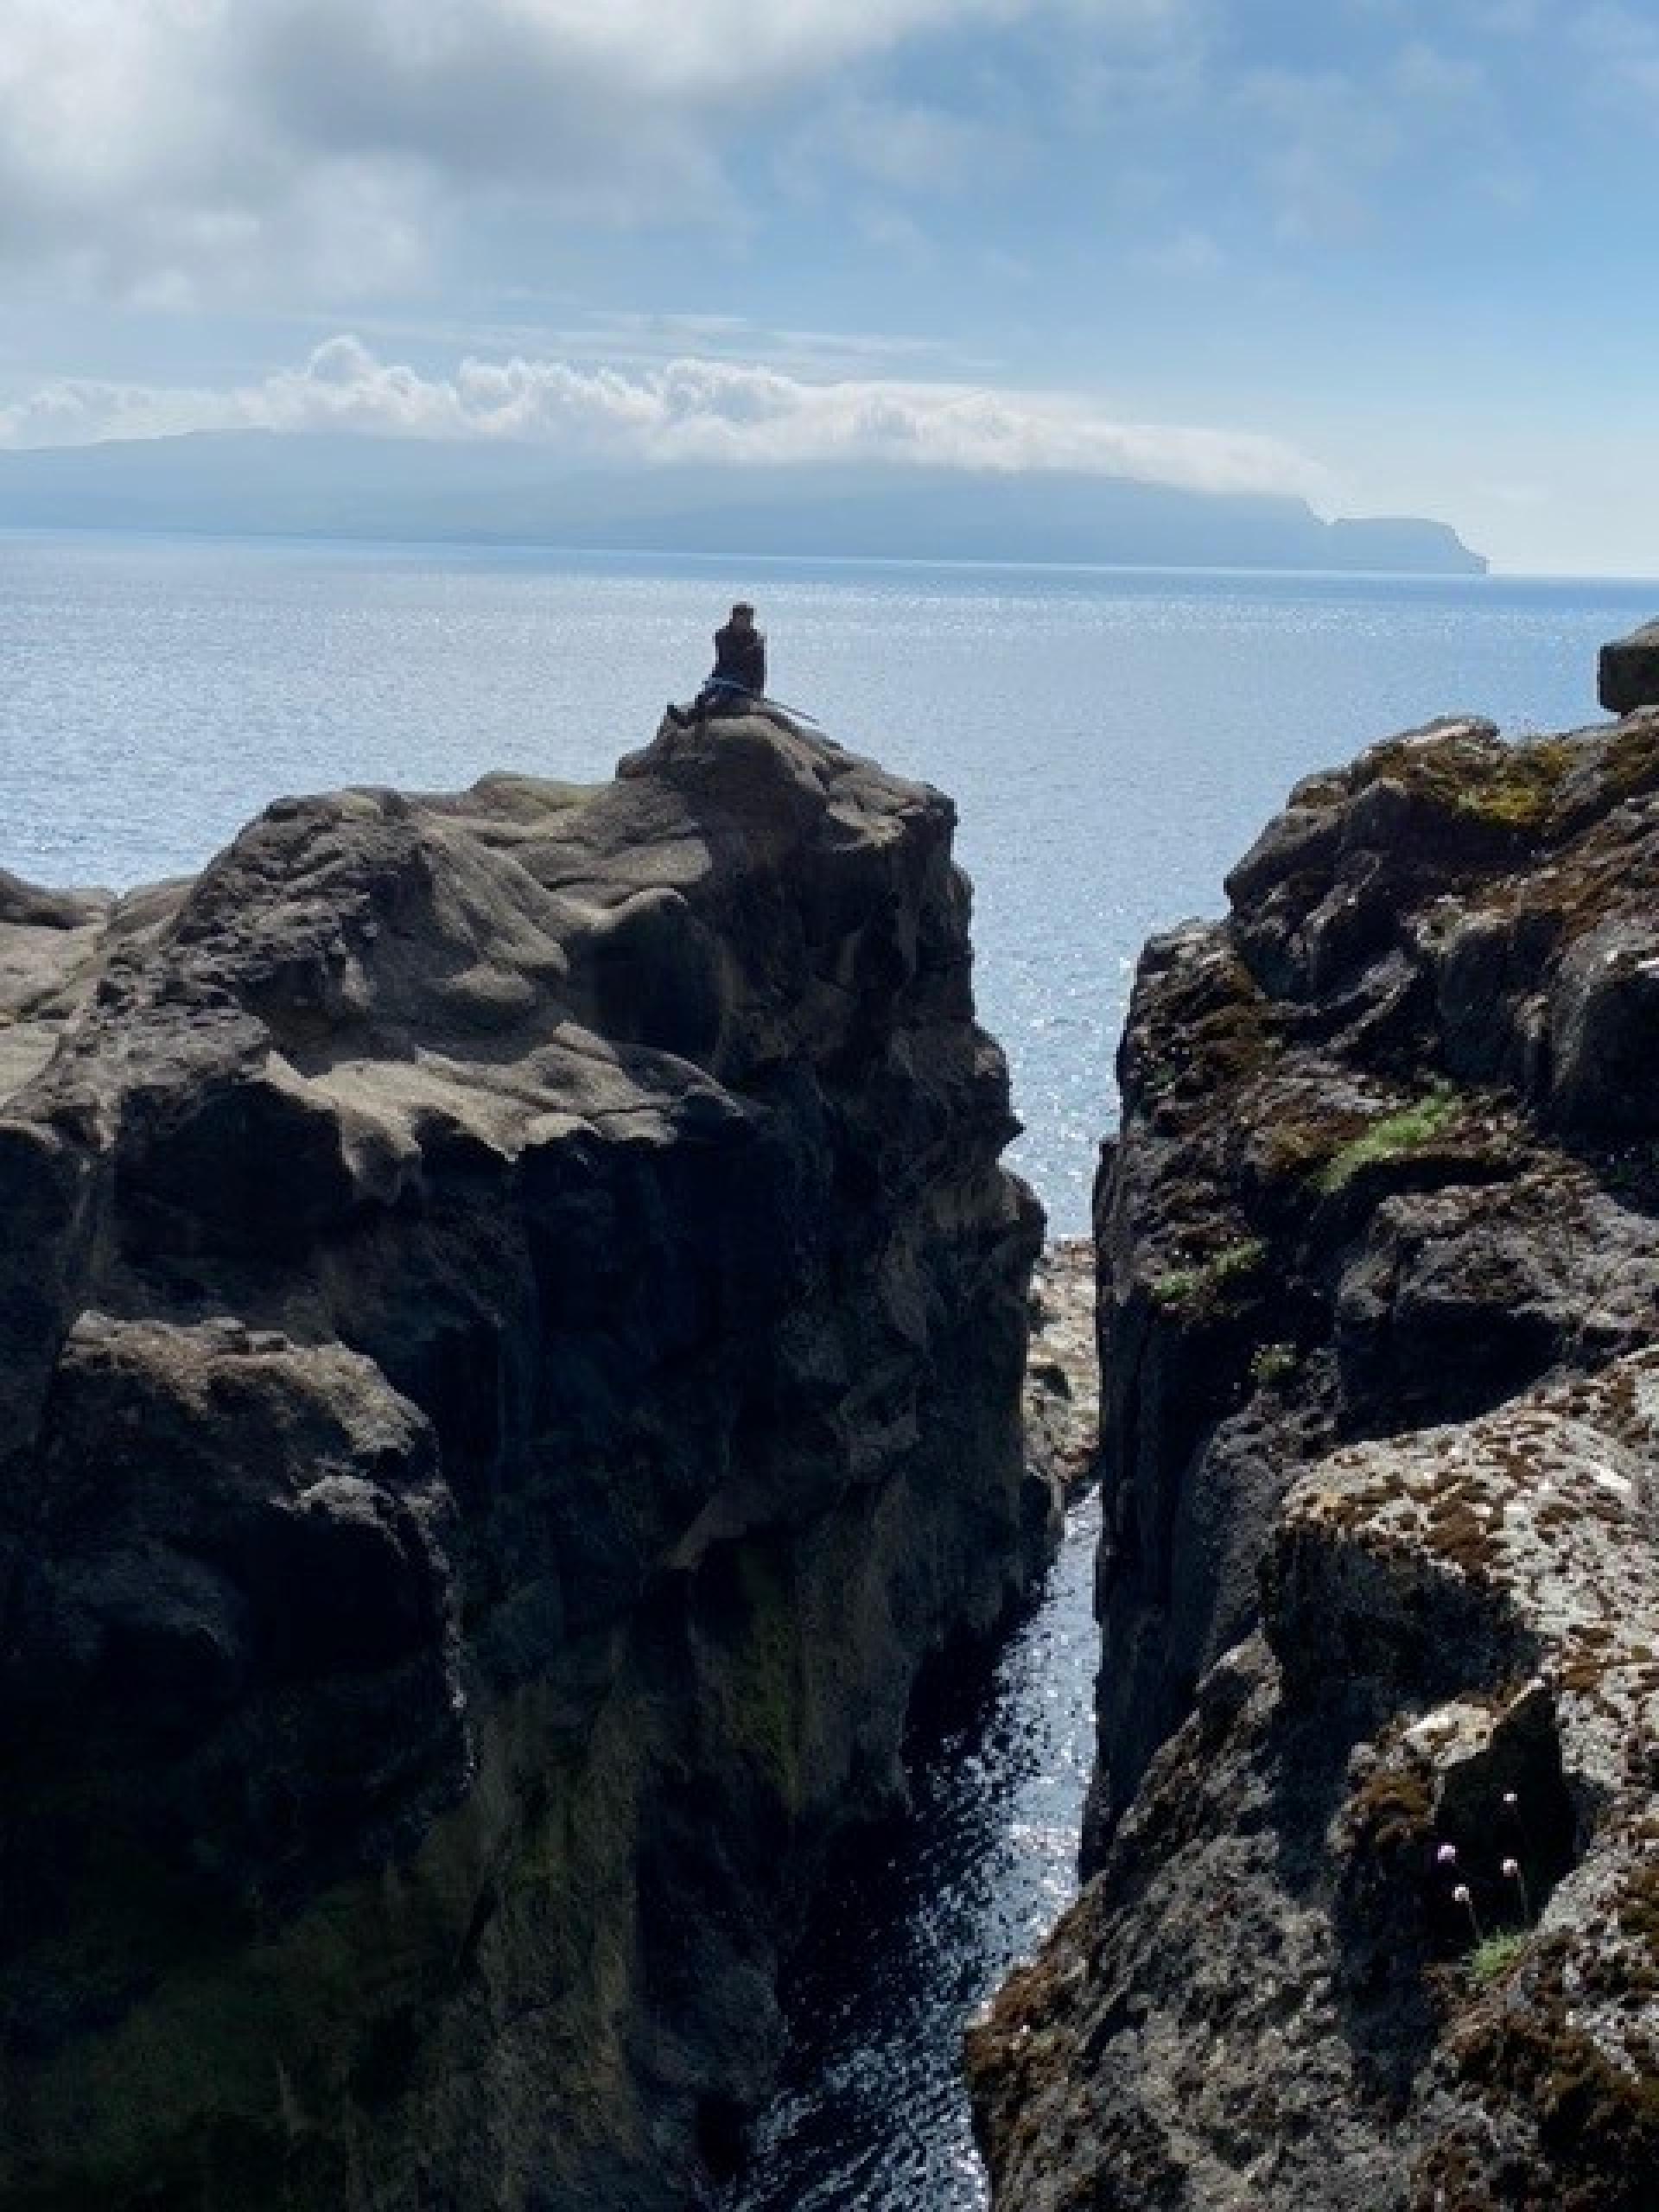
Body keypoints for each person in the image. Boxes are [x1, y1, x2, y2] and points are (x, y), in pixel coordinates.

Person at [667, 603, 766, 726]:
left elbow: (760, 667)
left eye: (749, 620)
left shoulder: (756, 638)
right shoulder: (722, 636)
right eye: (744, 619)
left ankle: (697, 716)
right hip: (724, 674)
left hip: (744, 678)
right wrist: (753, 647)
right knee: (706, 693)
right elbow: (727, 658)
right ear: (734, 619)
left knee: (722, 695)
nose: (747, 623)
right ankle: (689, 716)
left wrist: (758, 689)